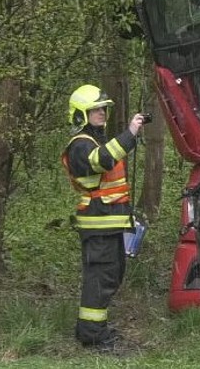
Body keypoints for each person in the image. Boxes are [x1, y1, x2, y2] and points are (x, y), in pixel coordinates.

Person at [61, 84, 146, 349]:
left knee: (110, 275)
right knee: (100, 279)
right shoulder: (80, 145)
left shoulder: (94, 142)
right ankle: (92, 335)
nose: (101, 113)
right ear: (80, 114)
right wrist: (130, 133)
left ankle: (93, 329)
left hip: (108, 223)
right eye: (95, 109)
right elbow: (103, 160)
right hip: (98, 224)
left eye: (103, 108)